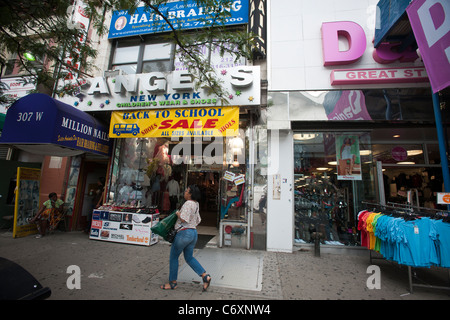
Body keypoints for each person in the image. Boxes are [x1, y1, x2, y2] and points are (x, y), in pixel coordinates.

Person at [160, 184, 211, 291]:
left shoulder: (188, 203)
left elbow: (184, 219)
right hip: (193, 233)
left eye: (187, 191)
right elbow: (198, 220)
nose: (185, 192)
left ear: (190, 194)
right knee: (189, 257)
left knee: (174, 257)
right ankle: (205, 276)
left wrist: (178, 213)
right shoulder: (196, 204)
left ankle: (173, 283)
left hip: (183, 234)